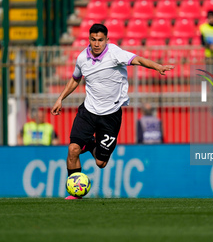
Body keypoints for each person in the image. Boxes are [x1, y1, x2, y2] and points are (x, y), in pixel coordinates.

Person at [51, 23, 174, 199]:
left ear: (106, 40)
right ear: (89, 39)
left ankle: (89, 143)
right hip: (88, 111)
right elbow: (75, 79)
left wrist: (157, 67)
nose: (96, 43)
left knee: (101, 162)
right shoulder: (81, 59)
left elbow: (138, 59)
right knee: (72, 150)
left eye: (100, 40)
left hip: (110, 115)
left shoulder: (115, 53)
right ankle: (75, 193)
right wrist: (60, 98)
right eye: (93, 39)